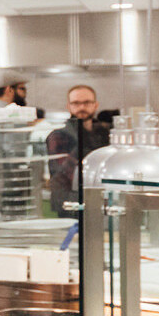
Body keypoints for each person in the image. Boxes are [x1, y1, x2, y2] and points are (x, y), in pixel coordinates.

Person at [45, 85, 108, 218]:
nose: (81, 107)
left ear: (95, 105)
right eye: (76, 103)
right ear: (69, 106)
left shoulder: (104, 133)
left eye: (87, 102)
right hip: (71, 204)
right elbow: (66, 172)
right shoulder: (58, 136)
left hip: (99, 199)